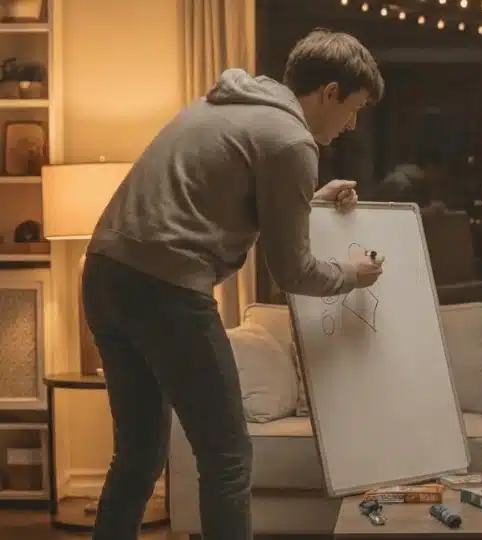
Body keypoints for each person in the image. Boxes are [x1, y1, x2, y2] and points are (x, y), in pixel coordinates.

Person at [80, 29, 386, 540]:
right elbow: (292, 272)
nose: (352, 124)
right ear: (329, 92)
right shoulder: (291, 140)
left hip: (105, 274)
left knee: (138, 453)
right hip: (167, 289)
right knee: (227, 456)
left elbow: (226, 191)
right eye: (352, 108)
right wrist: (352, 277)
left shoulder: (223, 103)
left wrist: (307, 199)